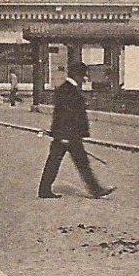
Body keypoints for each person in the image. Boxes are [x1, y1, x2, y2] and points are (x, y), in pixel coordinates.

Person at [38, 63, 115, 199]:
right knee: (62, 162)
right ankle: (95, 190)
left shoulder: (67, 89)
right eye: (83, 75)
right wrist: (64, 136)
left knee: (74, 162)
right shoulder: (68, 90)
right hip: (67, 135)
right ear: (77, 75)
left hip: (69, 134)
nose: (84, 79)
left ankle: (95, 189)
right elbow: (62, 115)